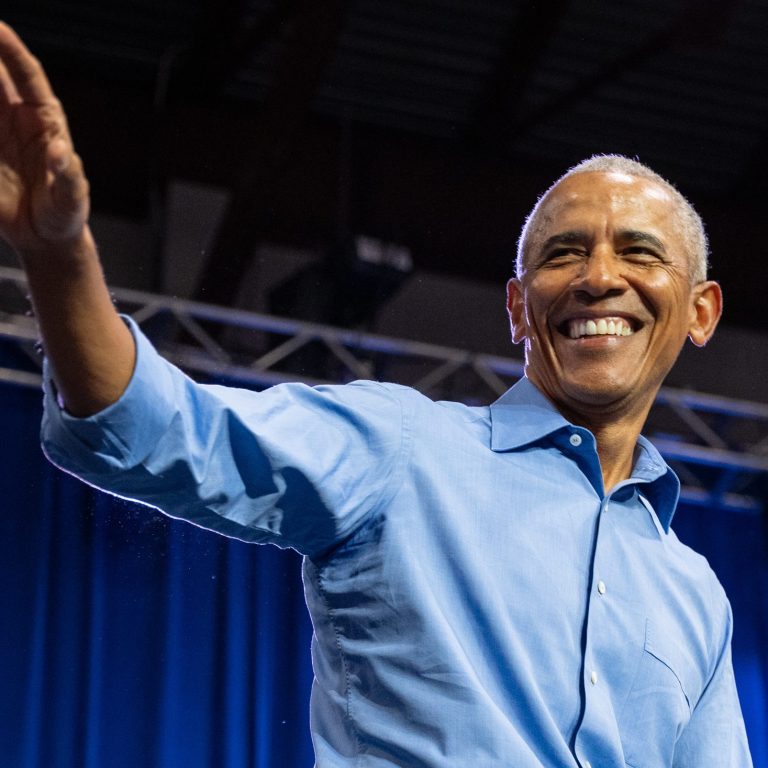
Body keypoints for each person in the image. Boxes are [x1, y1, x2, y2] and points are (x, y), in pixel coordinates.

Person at [0, 21, 753, 768]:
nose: (599, 277)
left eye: (639, 253)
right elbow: (157, 428)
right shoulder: (401, 448)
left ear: (701, 312)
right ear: (518, 309)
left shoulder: (694, 593)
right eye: (564, 253)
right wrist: (58, 253)